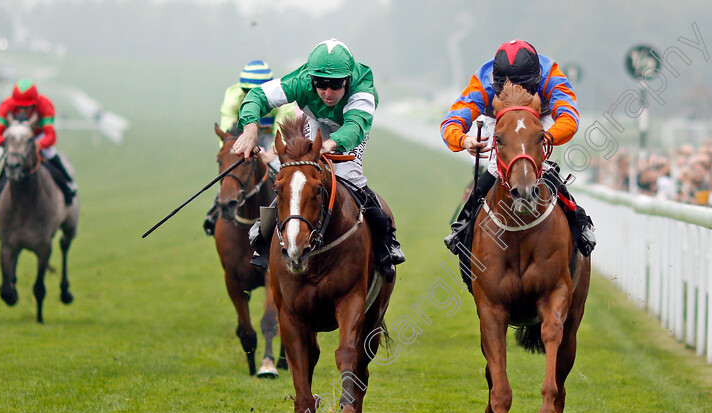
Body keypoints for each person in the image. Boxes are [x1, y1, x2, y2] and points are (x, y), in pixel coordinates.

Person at [232, 38, 405, 277]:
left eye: (335, 85)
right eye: (320, 85)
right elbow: (257, 96)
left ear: (348, 80)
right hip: (315, 120)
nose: (327, 92)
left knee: (348, 175)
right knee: (301, 175)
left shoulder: (362, 88)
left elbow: (354, 126)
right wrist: (250, 129)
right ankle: (264, 235)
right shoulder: (301, 81)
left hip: (350, 127)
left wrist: (331, 143)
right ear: (310, 79)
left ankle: (386, 241)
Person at [440, 40, 595, 257]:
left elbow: (569, 118)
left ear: (536, 78)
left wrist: (542, 138)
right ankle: (464, 223)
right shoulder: (483, 81)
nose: (515, 92)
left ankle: (579, 220)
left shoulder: (551, 73)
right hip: (499, 117)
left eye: (524, 86)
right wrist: (463, 140)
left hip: (539, 117)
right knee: (496, 165)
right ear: (497, 82)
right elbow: (451, 121)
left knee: (539, 163)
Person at [203, 60, 298, 236]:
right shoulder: (232, 96)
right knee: (231, 168)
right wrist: (231, 151)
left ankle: (289, 214)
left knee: (280, 169)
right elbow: (226, 131)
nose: (251, 96)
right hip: (243, 133)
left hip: (272, 137)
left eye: (257, 91)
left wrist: (270, 154)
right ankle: (216, 208)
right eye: (247, 91)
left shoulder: (282, 96)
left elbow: (282, 129)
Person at [0, 78, 76, 204]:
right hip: (17, 139)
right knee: (12, 156)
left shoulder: (45, 105)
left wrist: (38, 145)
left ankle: (67, 182)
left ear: (35, 103)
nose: (23, 111)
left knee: (50, 153)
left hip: (37, 137)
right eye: (19, 107)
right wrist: (5, 143)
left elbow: (51, 136)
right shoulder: (5, 106)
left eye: (27, 107)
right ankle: (0, 186)